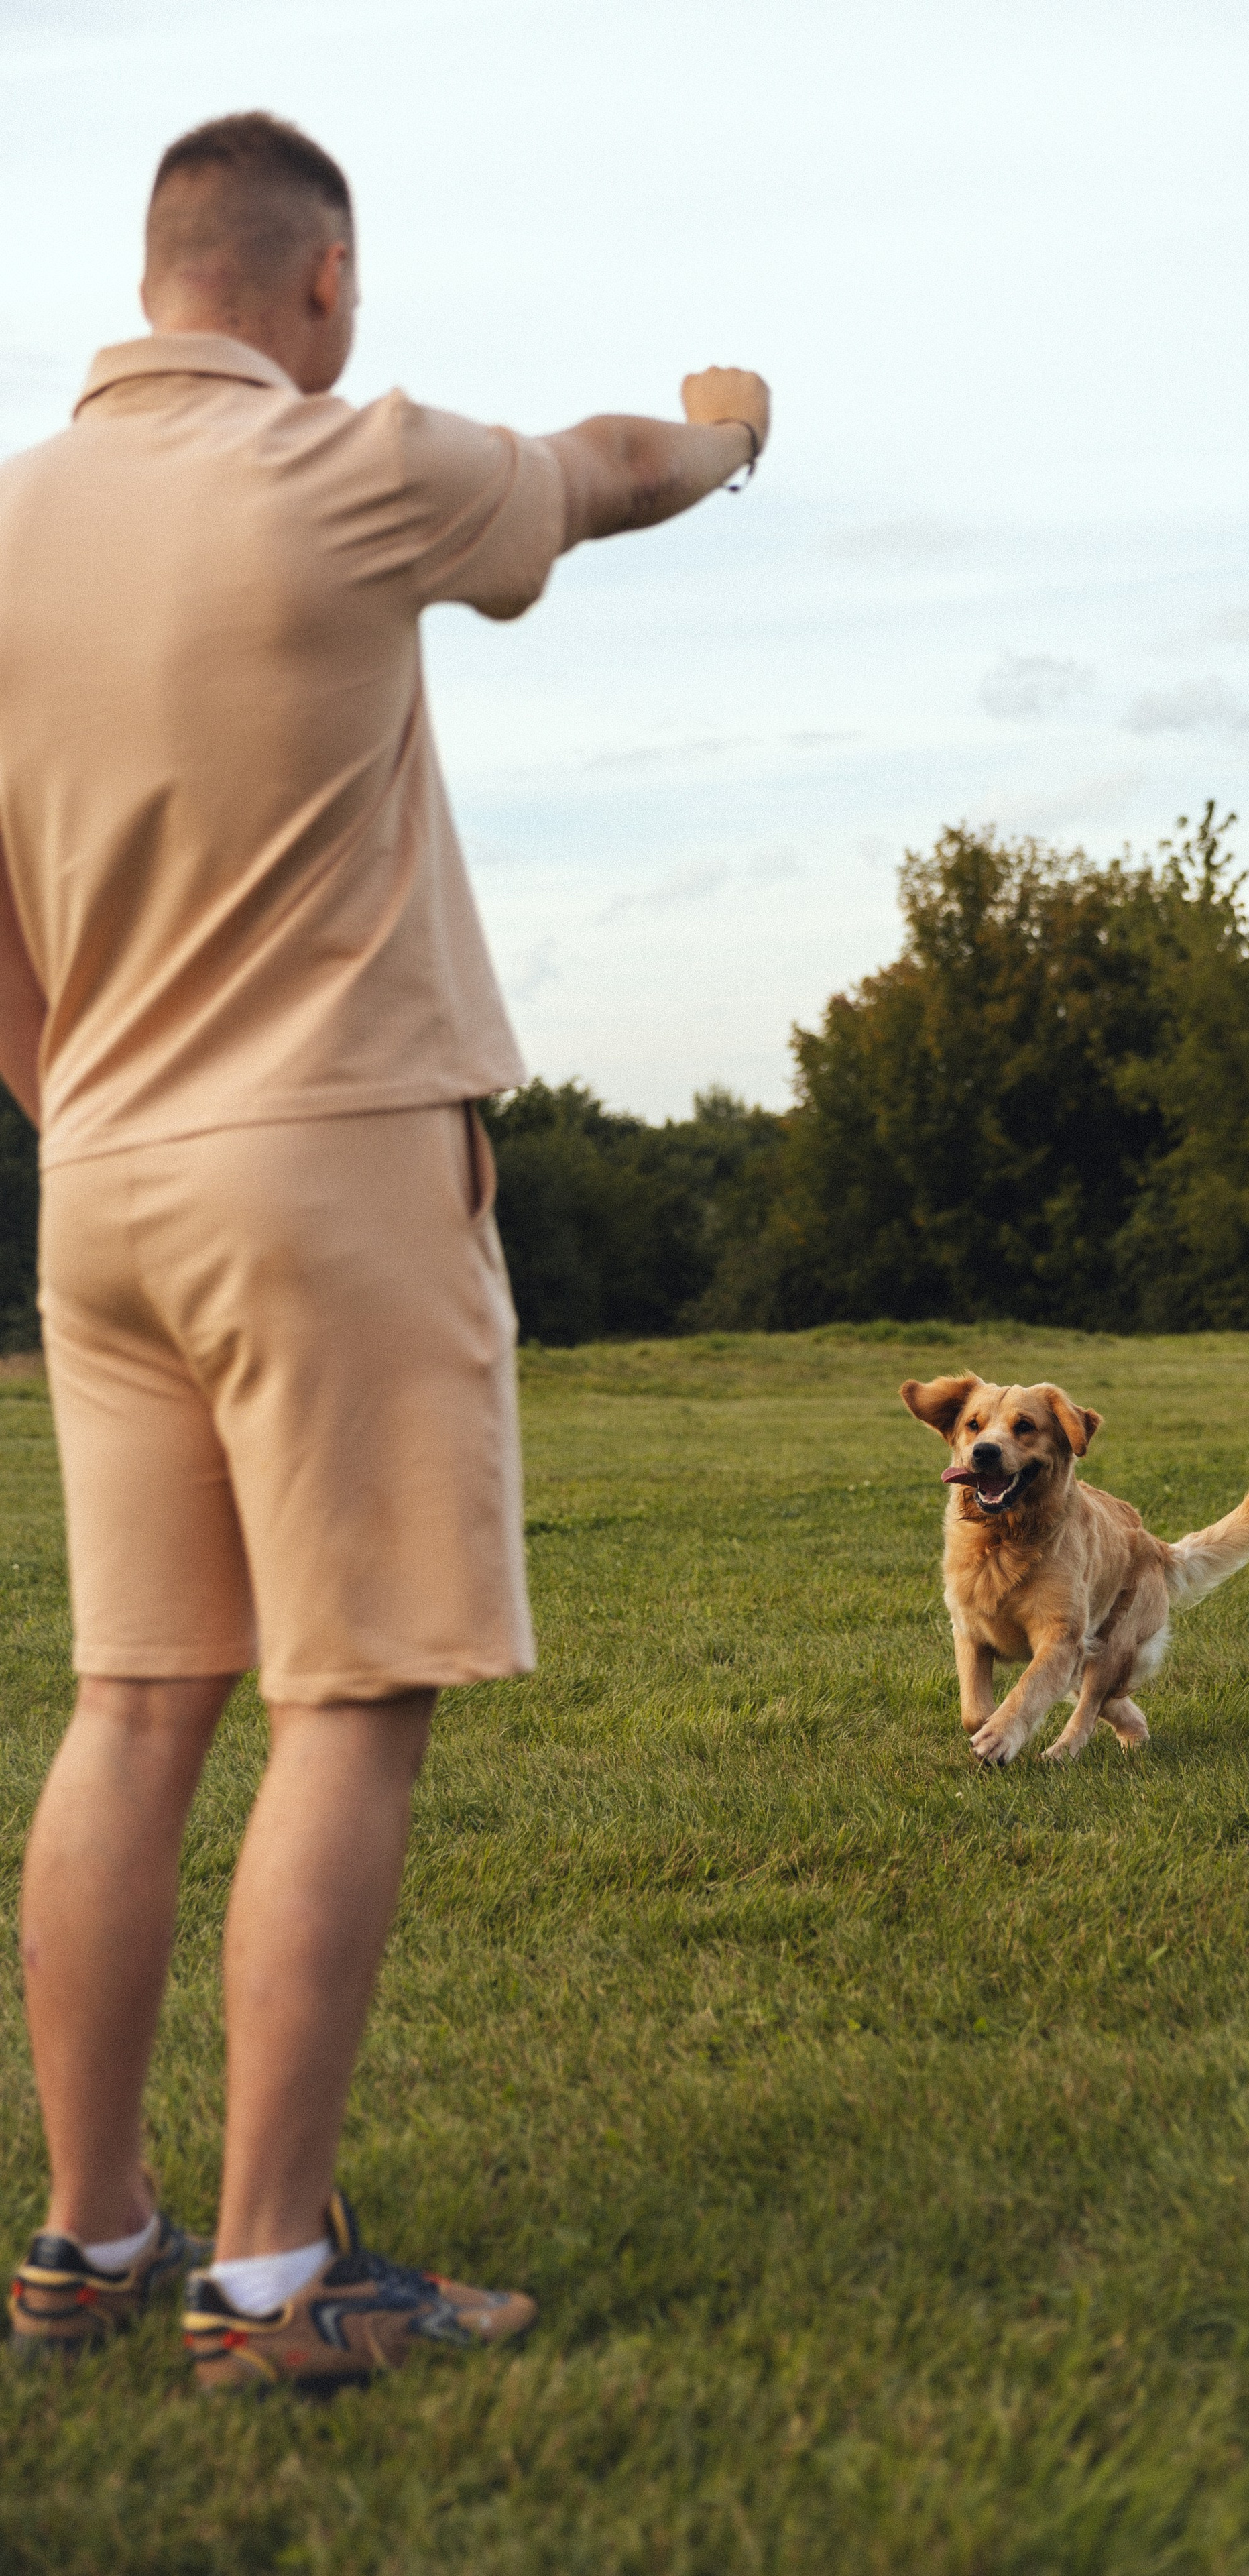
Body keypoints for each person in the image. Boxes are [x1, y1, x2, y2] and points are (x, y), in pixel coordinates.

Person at [0, 111, 769, 2392]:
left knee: (133, 1704)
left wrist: (87, 1110)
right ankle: (273, 2282)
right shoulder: (347, 463)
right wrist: (732, 433)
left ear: (157, 278)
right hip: (326, 1169)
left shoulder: (10, 524)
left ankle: (86, 2240)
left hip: (102, 1182)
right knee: (349, 1700)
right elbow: (604, 469)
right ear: (318, 282)